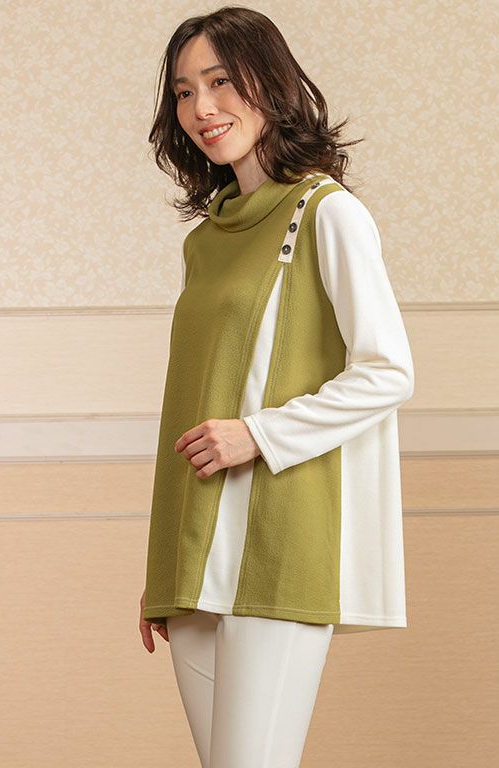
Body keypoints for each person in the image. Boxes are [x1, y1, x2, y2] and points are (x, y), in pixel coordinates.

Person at [137, 6, 415, 767]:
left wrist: (259, 434)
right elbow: (192, 400)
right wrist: (164, 571)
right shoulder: (206, 240)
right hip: (195, 558)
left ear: (270, 83)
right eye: (184, 92)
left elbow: (389, 370)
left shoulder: (327, 213)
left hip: (276, 547)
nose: (201, 107)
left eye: (220, 82)